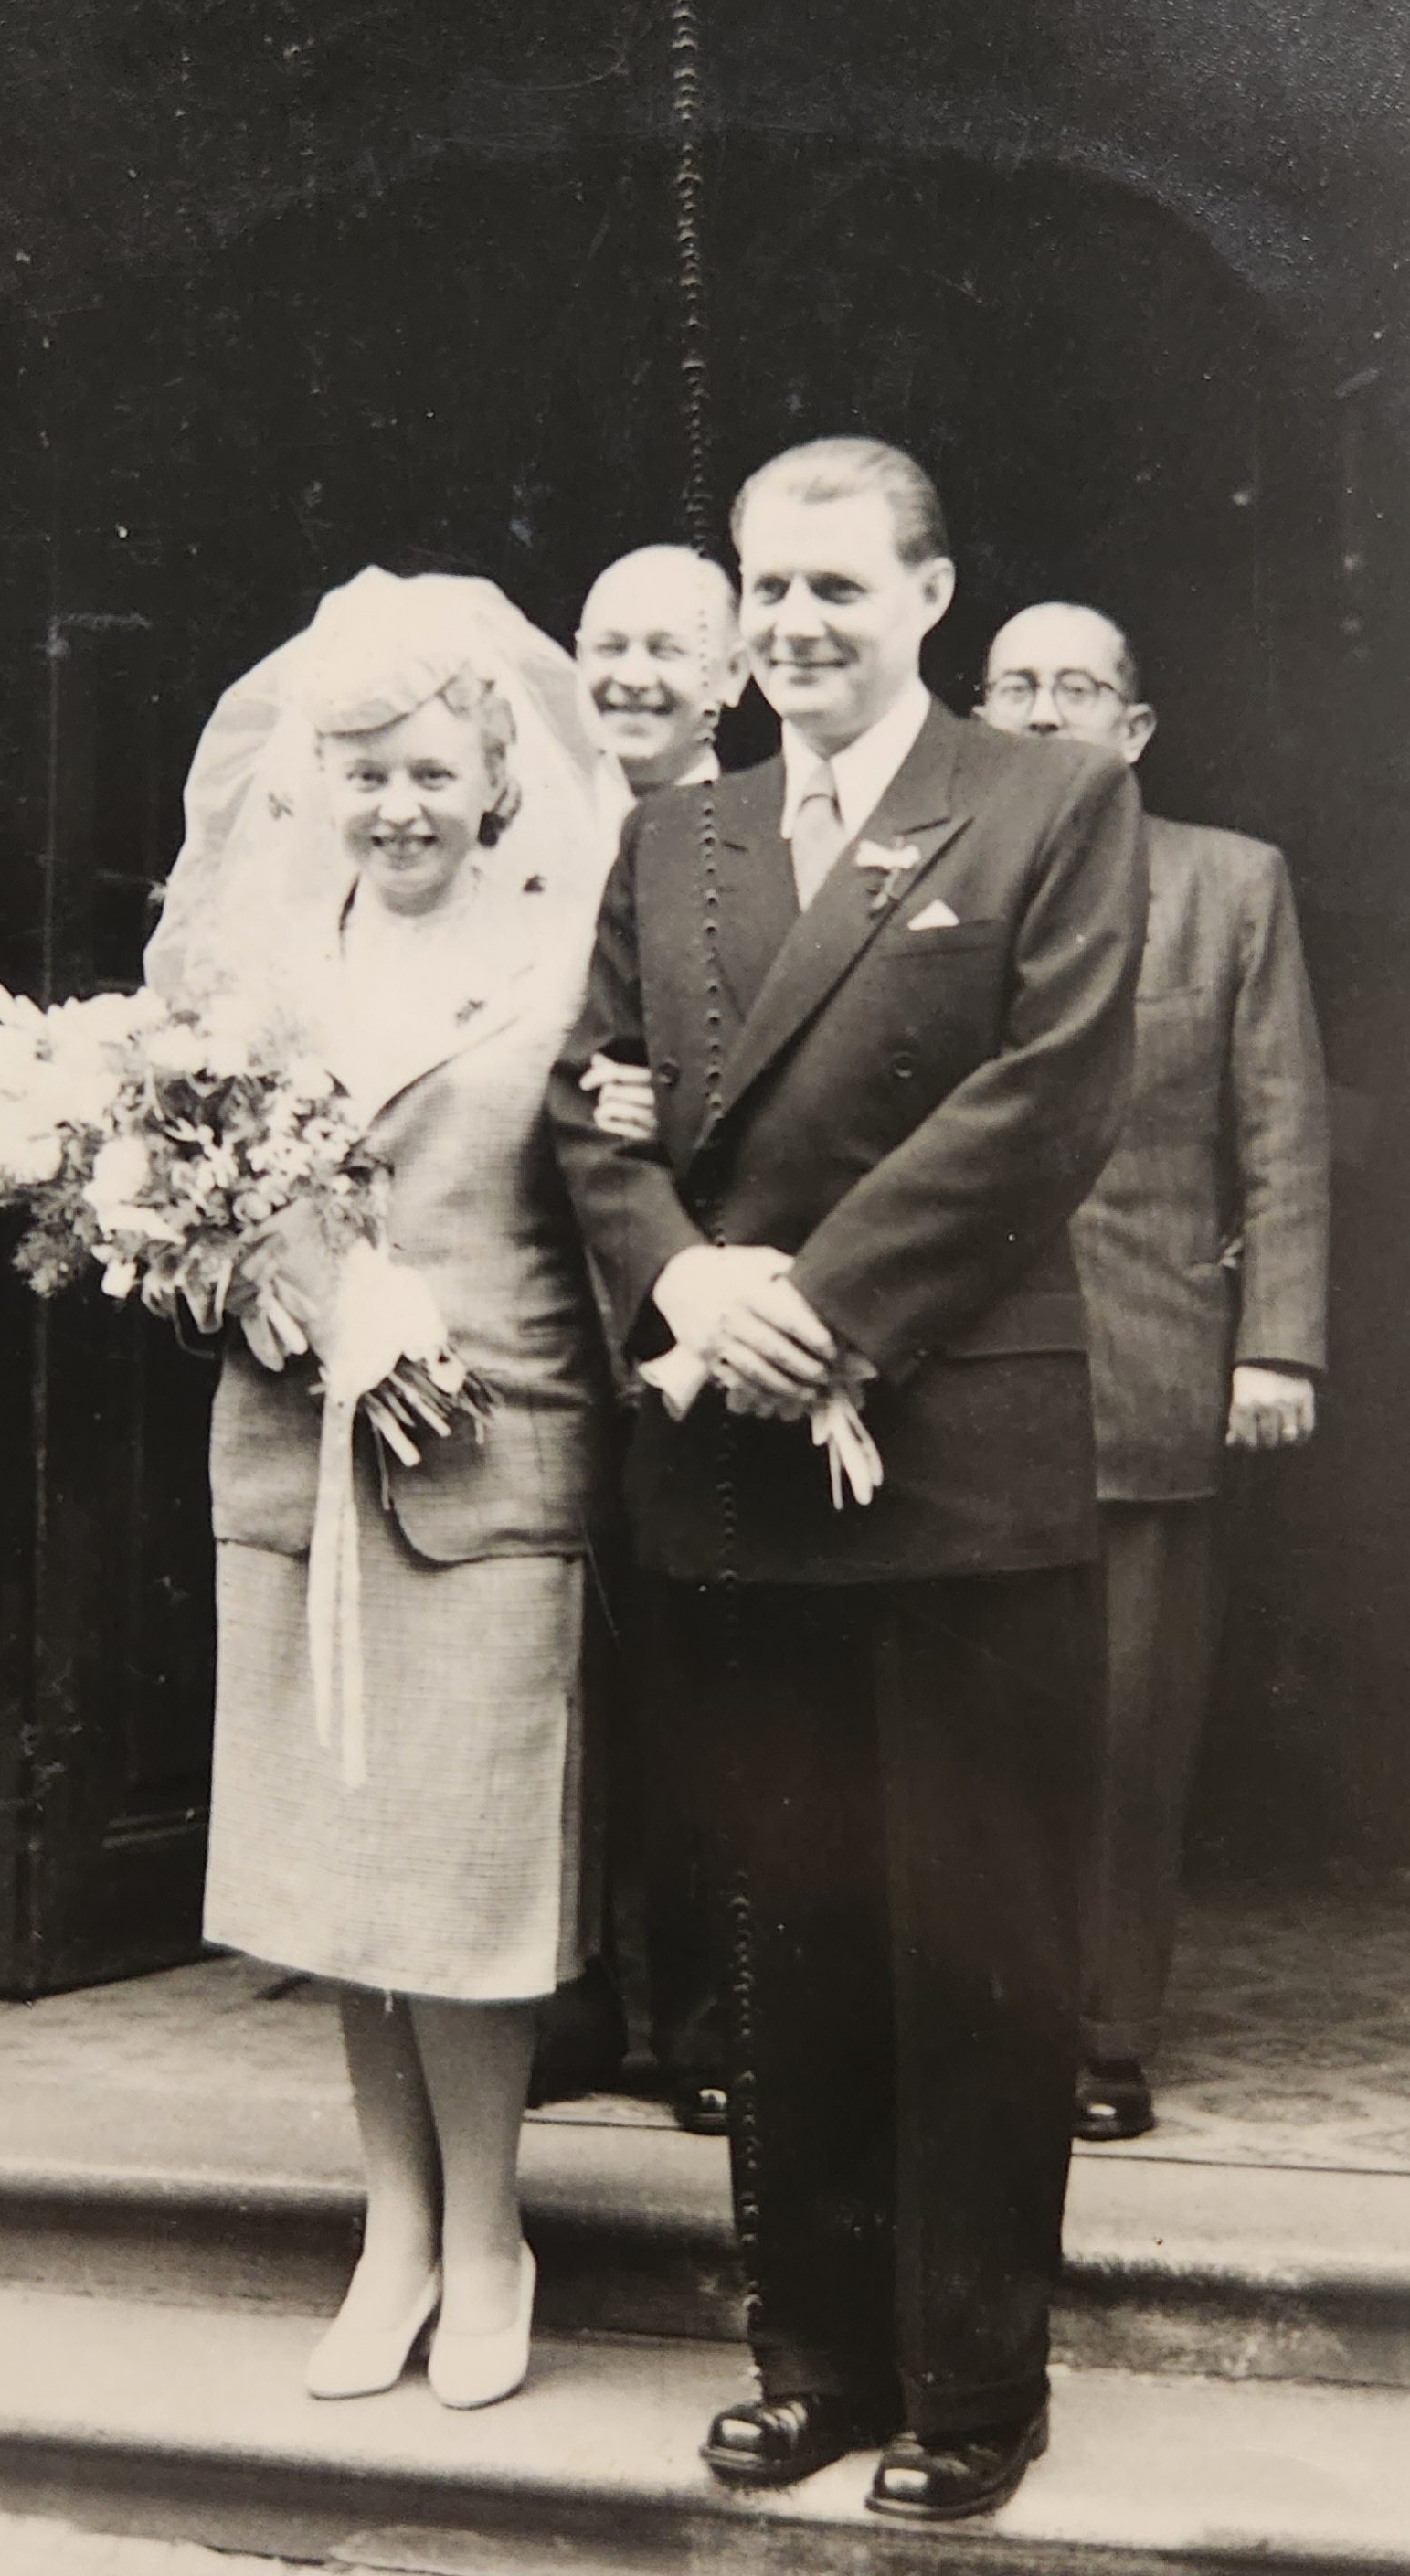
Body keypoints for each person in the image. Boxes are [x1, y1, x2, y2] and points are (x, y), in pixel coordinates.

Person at [549, 441, 1147, 2523]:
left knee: (976, 1934)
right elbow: (596, 1105)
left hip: (955, 1449)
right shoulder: (677, 833)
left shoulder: (1045, 800)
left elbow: (1047, 1097)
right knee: (784, 1925)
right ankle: (812, 2357)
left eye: (836, 587)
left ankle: (975, 2378)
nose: (795, 624)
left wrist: (817, 1301)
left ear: (928, 596)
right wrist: (684, 1279)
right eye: (768, 589)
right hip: (738, 1449)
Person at [146, 568, 619, 2412]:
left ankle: (491, 2235)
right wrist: (274, 1288)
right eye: (365, 775)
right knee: (343, 1870)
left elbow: (602, 1213)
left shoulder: (562, 955)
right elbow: (177, 1215)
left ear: (494, 778)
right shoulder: (252, 969)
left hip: (487, 1459)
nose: (398, 807)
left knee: (463, 1874)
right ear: (317, 783)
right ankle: (393, 2231)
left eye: (429, 772)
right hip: (297, 1459)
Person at [978, 601, 1330, 2142]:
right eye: (1014, 686)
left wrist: (1276, 1343)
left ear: (1132, 730)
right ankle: (971, 2023)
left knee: (1123, 1725)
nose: (1043, 710)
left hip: (1147, 1367)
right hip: (951, 1380)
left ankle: (1100, 2037)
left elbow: (1281, 1126)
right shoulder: (920, 881)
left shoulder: (1228, 882)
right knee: (965, 1728)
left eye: (1078, 687)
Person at [565, 542, 750, 2138]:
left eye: (665, 650)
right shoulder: (518, 826)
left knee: (701, 1690)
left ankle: (708, 2020)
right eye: (602, 642)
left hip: (687, 1310)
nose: (628, 674)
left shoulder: (755, 837)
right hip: (525, 1304)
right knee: (548, 1675)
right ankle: (563, 2002)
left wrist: (661, 1104)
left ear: (728, 681)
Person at [575, 542, 749, 808]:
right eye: (611, 648)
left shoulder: (776, 827)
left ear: (733, 673)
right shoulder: (524, 820)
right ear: (579, 658)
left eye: (665, 651)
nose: (632, 677)